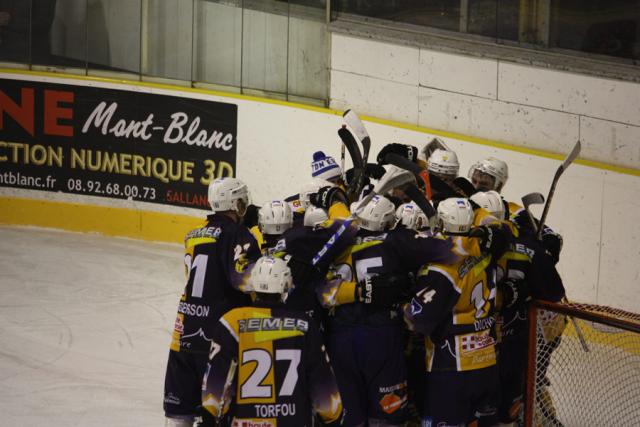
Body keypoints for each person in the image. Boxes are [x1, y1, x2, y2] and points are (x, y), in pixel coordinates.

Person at [320, 195, 462, 427]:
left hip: (339, 337)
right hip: (380, 336)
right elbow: (449, 250)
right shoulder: (396, 240)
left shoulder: (336, 241)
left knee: (349, 416)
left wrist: (354, 291)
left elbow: (321, 293)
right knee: (387, 415)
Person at [202, 256, 344, 427]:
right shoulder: (305, 325)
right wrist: (332, 418)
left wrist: (210, 417)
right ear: (286, 285)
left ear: (253, 283)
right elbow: (323, 387)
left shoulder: (231, 322)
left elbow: (216, 381)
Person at [163, 177, 260, 427]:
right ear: (235, 204)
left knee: (179, 414)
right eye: (242, 202)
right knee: (218, 415)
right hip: (219, 335)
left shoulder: (192, 235)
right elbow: (247, 281)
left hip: (184, 332)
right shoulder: (239, 234)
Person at [404, 198, 500, 427]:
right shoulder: (485, 252)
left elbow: (416, 320)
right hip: (487, 359)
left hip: (453, 366)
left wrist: (400, 303)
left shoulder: (443, 267)